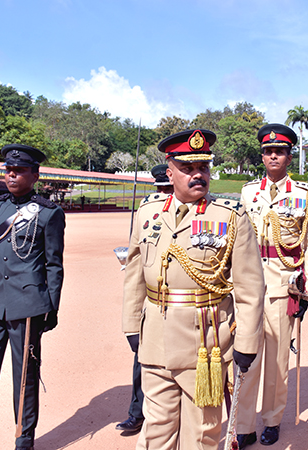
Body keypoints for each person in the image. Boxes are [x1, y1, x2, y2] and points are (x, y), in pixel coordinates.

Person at [122, 129, 265, 450]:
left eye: (203, 168)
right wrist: (132, 324)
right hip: (155, 340)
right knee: (156, 428)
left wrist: (247, 342)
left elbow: (250, 286)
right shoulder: (148, 213)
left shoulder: (230, 216)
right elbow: (134, 273)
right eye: (188, 169)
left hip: (206, 344)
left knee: (203, 432)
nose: (198, 175)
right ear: (169, 172)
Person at [0, 144, 65, 450]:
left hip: (27, 307)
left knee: (24, 380)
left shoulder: (49, 214)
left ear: (35, 174)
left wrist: (51, 307)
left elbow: (54, 264)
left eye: (18, 171)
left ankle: (23, 442)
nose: (11, 175)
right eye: (8, 170)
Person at [234, 124, 308, 447]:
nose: (273, 156)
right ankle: (243, 424)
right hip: (250, 285)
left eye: (280, 151)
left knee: (277, 362)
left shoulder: (303, 195)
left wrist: (306, 291)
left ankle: (271, 419)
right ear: (262, 155)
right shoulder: (247, 192)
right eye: (269, 151)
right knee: (247, 356)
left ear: (288, 155)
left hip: (284, 285)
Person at [116, 163, 174, 434]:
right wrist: (130, 322)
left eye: (167, 189)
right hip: (153, 304)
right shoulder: (147, 211)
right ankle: (137, 413)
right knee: (143, 362)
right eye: (160, 189)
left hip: (186, 305)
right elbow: (136, 267)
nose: (163, 194)